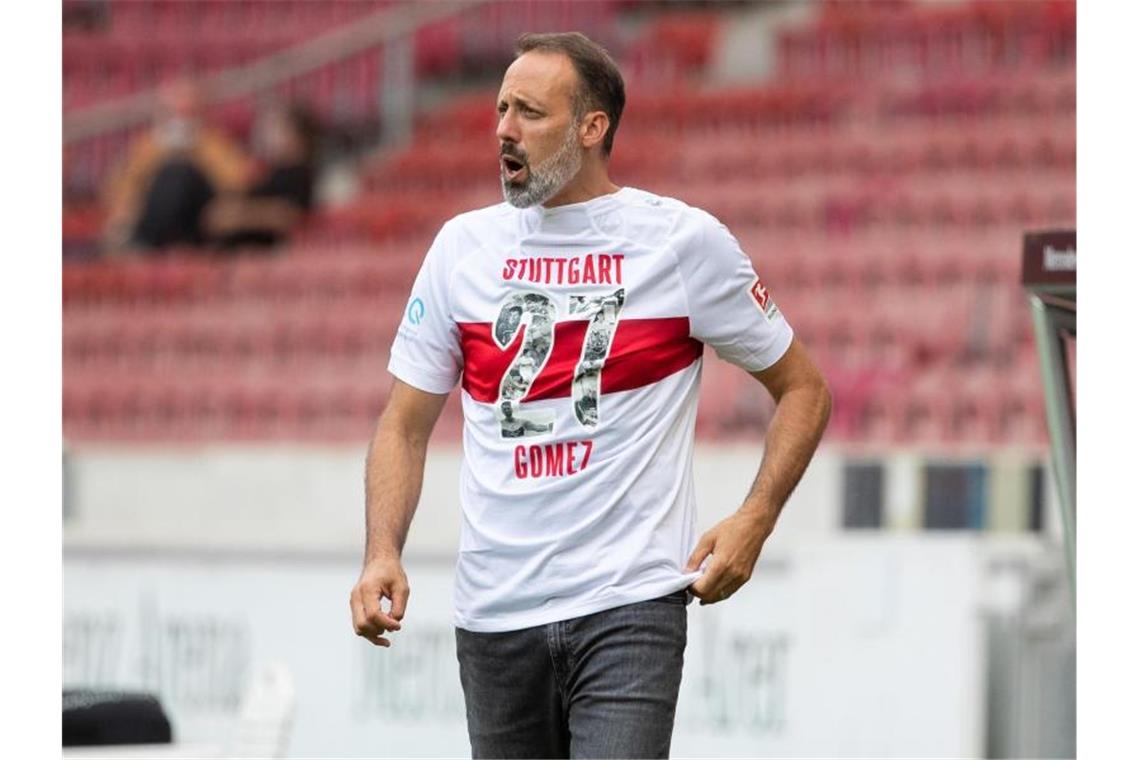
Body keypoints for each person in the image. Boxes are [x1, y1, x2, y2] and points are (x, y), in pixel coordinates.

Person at [349, 32, 832, 758]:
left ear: (591, 127)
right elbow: (403, 426)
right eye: (501, 108)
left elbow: (804, 389)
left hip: (629, 605)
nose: (504, 130)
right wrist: (381, 550)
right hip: (493, 613)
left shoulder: (681, 243)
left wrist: (756, 519)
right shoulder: (460, 248)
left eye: (530, 113)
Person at [101, 77, 254, 252]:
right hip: (154, 222)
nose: (182, 116)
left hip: (201, 223)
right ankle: (145, 242)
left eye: (189, 110)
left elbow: (238, 181)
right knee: (171, 174)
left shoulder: (216, 142)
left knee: (178, 173)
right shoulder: (148, 145)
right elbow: (120, 185)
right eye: (176, 109)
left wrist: (199, 148)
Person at [204, 103, 321, 249]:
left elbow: (290, 215)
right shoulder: (271, 171)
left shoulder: (299, 172)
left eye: (276, 129)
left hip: (263, 252)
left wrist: (238, 216)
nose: (267, 135)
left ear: (297, 134)